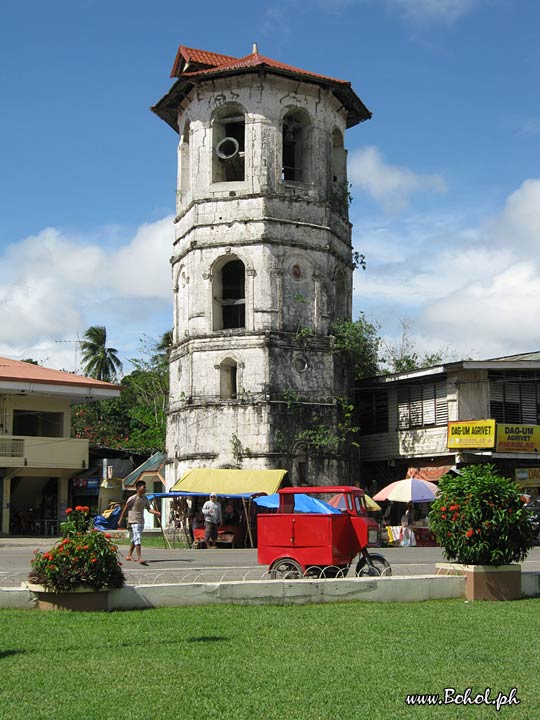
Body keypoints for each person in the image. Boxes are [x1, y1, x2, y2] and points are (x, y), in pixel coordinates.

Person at [117, 480, 160, 564]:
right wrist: (120, 519)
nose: (145, 489)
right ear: (138, 488)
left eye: (145, 487)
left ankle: (129, 555)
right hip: (134, 521)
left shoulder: (145, 498)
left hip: (141, 521)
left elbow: (149, 509)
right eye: (143, 487)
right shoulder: (132, 498)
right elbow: (125, 509)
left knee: (135, 538)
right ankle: (140, 557)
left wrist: (156, 512)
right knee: (138, 538)